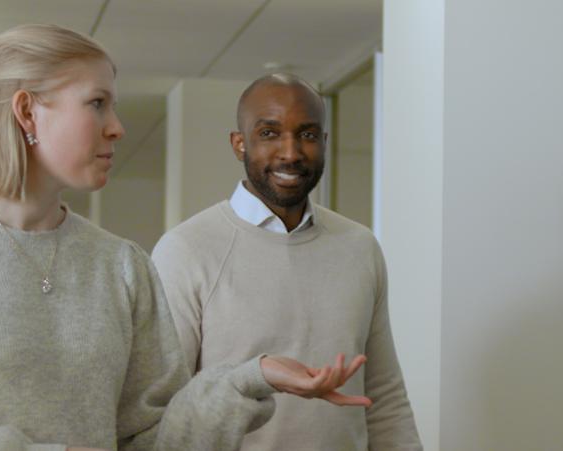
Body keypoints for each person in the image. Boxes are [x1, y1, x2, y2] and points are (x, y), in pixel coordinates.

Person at [0, 24, 371, 451]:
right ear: (28, 111)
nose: (117, 126)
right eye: (97, 103)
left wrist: (249, 378)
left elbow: (151, 439)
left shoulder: (121, 264)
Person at [151, 73, 421, 450]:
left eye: (307, 135)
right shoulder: (185, 250)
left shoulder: (360, 247)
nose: (291, 152)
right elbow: (163, 409)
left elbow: (385, 397)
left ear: (324, 142)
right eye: (270, 133)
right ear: (239, 143)